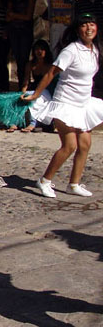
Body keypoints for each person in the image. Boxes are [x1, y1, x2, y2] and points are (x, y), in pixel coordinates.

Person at [23, 14, 103, 198]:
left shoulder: (95, 50)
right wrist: (36, 94)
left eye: (92, 24)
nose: (89, 28)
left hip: (83, 104)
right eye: (84, 25)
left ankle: (74, 184)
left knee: (85, 144)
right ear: (77, 30)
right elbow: (51, 73)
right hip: (65, 103)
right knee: (69, 145)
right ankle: (44, 181)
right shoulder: (71, 50)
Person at [16, 40, 54, 133]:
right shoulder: (30, 64)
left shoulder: (51, 65)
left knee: (37, 99)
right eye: (37, 49)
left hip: (48, 90)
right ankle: (16, 123)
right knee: (24, 97)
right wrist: (22, 93)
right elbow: (26, 81)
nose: (39, 52)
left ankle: (33, 123)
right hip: (35, 89)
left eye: (42, 49)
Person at [7, 0, 36, 89]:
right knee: (18, 59)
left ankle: (25, 83)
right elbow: (8, 15)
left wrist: (14, 15)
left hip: (25, 31)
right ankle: (20, 83)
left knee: (24, 58)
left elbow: (28, 16)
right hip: (14, 30)